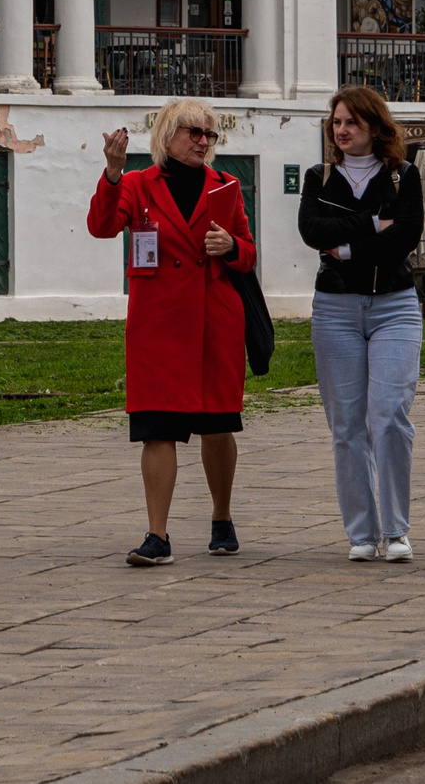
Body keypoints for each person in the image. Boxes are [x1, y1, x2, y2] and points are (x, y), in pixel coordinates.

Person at [86, 96, 258, 567]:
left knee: (218, 425)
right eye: (193, 133)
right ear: (167, 137)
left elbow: (247, 253)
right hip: (159, 326)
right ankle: (157, 535)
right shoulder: (138, 184)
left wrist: (231, 246)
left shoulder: (225, 186)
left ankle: (221, 517)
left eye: (210, 135)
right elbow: (102, 227)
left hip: (213, 322)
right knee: (157, 427)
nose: (203, 142)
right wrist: (112, 174)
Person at [298, 86, 424, 564]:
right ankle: (360, 532)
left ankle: (395, 531)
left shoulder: (403, 177)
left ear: (374, 125)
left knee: (389, 415)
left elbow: (405, 237)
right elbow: (312, 231)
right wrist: (373, 225)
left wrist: (348, 245)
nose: (342, 130)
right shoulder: (319, 176)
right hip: (335, 309)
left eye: (351, 121)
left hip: (395, 305)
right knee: (346, 424)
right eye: (336, 123)